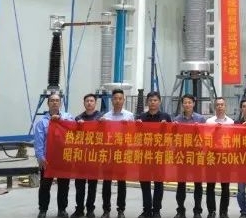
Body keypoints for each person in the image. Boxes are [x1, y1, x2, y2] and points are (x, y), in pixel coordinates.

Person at [34, 92, 74, 218]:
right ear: (48, 103)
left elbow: (74, 130)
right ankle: (43, 210)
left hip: (64, 158)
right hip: (48, 160)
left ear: (60, 103)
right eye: (52, 100)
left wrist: (60, 120)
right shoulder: (42, 122)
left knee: (64, 186)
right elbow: (39, 141)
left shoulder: (68, 118)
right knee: (45, 186)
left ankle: (62, 210)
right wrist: (40, 157)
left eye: (57, 100)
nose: (55, 103)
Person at [137, 91, 173, 218]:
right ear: (147, 102)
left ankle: (156, 210)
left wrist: (165, 127)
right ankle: (147, 210)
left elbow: (172, 134)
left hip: (159, 155)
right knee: (144, 183)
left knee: (158, 183)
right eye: (150, 100)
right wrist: (137, 126)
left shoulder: (165, 117)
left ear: (159, 102)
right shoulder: (141, 117)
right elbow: (135, 135)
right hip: (144, 155)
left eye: (155, 100)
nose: (153, 102)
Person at [99, 89, 134, 218]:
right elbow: (101, 135)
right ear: (112, 100)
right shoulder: (106, 116)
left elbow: (133, 134)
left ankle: (121, 210)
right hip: (108, 152)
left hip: (122, 152)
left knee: (121, 182)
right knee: (106, 182)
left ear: (123, 100)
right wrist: (101, 124)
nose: (118, 101)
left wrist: (128, 127)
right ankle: (106, 209)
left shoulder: (129, 116)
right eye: (115, 98)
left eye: (120, 98)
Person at [173, 94, 207, 218]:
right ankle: (180, 210)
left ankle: (197, 211)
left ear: (193, 104)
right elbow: (173, 138)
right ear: (182, 104)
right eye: (185, 102)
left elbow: (205, 137)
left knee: (198, 184)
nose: (187, 105)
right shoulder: (177, 119)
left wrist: (198, 130)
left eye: (189, 102)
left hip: (196, 155)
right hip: (181, 155)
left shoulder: (200, 119)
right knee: (181, 184)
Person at [72, 93, 103, 218]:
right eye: (87, 101)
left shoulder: (101, 118)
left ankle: (90, 209)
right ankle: (79, 209)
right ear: (84, 103)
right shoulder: (78, 118)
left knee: (92, 185)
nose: (89, 103)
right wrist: (77, 126)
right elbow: (72, 137)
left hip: (94, 156)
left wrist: (103, 124)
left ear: (95, 103)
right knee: (79, 185)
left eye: (91, 101)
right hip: (81, 156)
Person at [205, 97, 234, 218]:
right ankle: (211, 211)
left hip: (225, 156)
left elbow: (233, 140)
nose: (220, 107)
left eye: (222, 105)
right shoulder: (209, 122)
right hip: (211, 155)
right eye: (217, 105)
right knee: (210, 185)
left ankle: (223, 212)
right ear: (214, 107)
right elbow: (205, 138)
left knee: (225, 186)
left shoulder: (231, 122)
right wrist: (214, 131)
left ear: (225, 106)